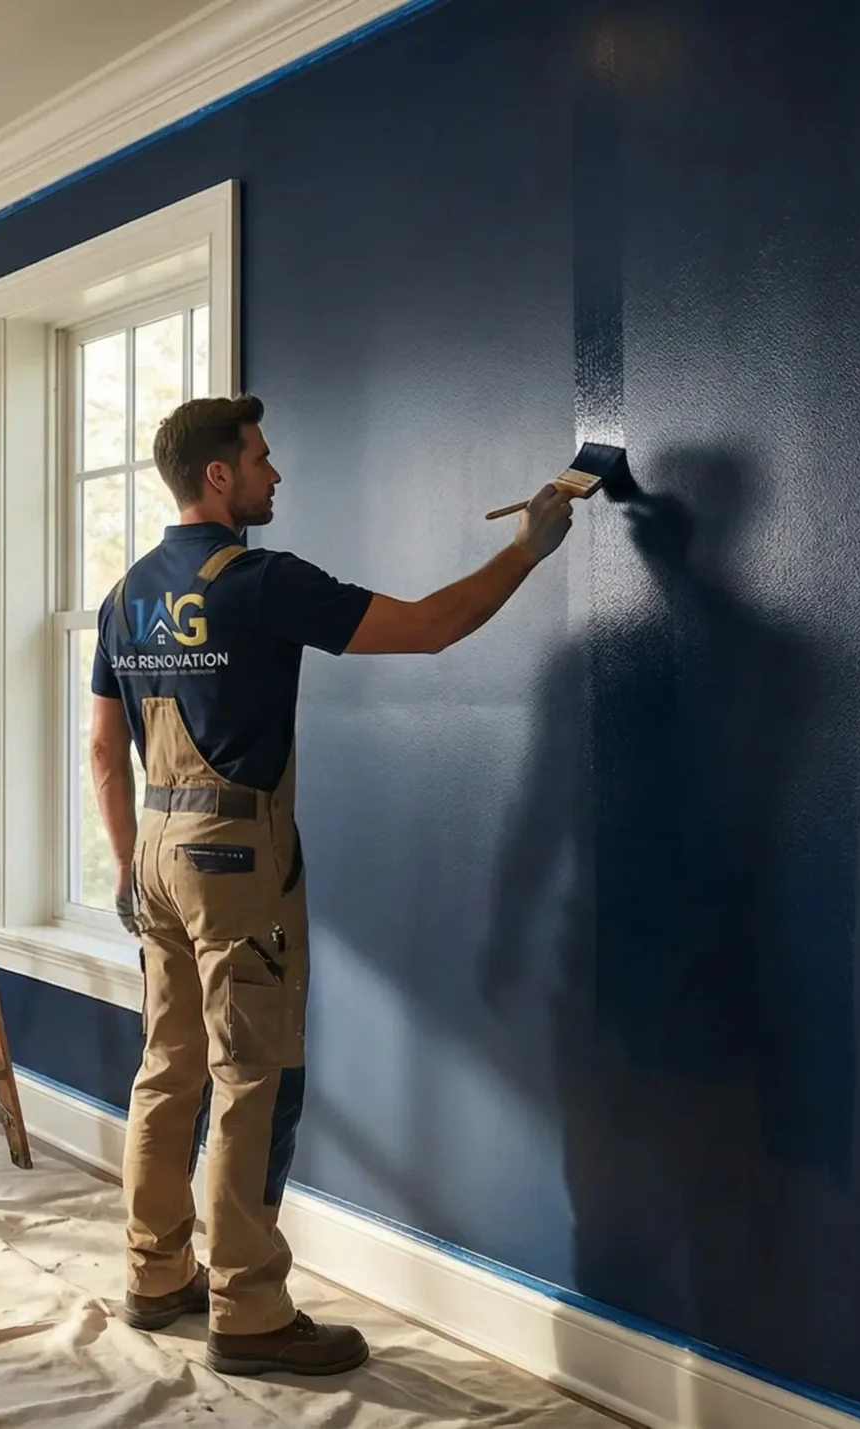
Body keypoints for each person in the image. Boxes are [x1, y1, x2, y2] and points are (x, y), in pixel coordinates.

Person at [90, 394, 581, 1376]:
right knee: (250, 1078)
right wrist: (529, 546)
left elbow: (104, 750)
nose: (276, 475)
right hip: (234, 857)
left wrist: (124, 866)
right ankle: (249, 1310)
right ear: (218, 475)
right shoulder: (260, 582)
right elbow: (433, 626)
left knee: (168, 1067)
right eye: (262, 459)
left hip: (152, 845)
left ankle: (154, 1274)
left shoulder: (126, 595)